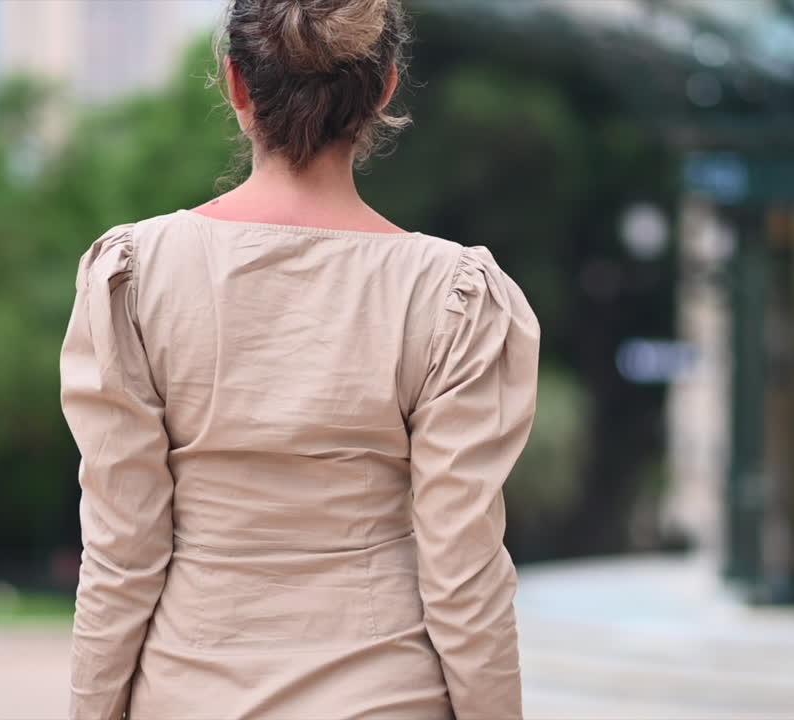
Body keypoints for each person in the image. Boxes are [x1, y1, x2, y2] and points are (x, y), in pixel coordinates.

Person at [58, 0, 539, 717]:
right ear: (384, 88)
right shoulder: (453, 297)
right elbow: (463, 573)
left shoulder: (134, 275)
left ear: (236, 84)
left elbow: (121, 554)